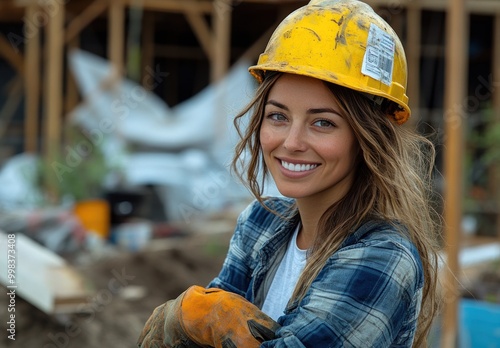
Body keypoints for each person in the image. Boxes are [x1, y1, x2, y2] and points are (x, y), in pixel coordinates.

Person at [137, 0, 442, 347]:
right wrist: (189, 317)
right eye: (278, 116)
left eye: (322, 122)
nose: (292, 142)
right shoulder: (259, 224)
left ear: (368, 138)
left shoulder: (383, 257)